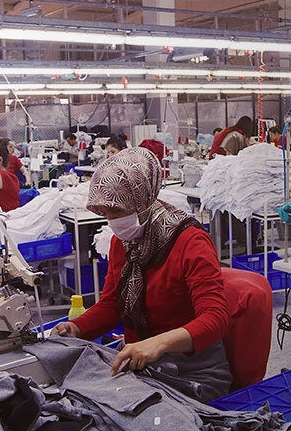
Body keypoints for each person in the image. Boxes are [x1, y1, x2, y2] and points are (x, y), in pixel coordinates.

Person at [51, 148, 231, 401]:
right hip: (141, 367)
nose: (111, 221)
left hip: (193, 372)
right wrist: (76, 328)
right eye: (105, 214)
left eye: (117, 212)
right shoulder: (123, 242)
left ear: (142, 200)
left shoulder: (190, 241)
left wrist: (158, 344)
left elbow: (215, 319)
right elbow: (112, 305)